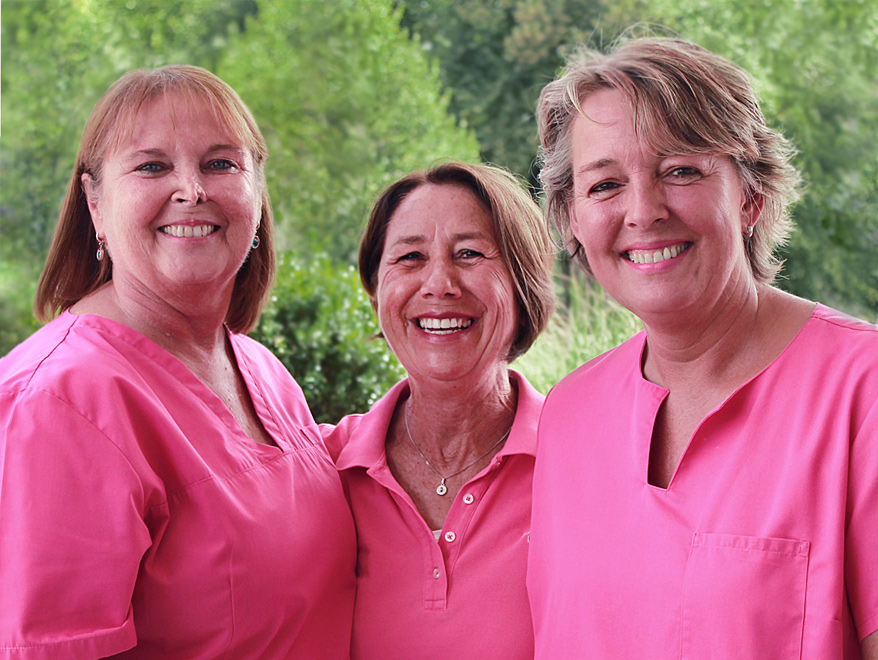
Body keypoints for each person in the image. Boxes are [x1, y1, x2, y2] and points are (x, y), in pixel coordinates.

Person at [526, 36, 878, 659]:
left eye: (680, 170)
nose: (643, 210)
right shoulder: (568, 415)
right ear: (573, 220)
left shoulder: (862, 390)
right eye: (604, 185)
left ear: (750, 195)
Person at [0, 65, 356, 659]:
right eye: (151, 166)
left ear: (258, 192)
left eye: (221, 164)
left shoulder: (259, 367)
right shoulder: (60, 402)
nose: (192, 189)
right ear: (94, 203)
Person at [322, 161, 554, 658]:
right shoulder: (322, 470)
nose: (439, 284)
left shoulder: (582, 463)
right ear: (375, 291)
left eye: (469, 254)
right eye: (409, 258)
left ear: (523, 285)